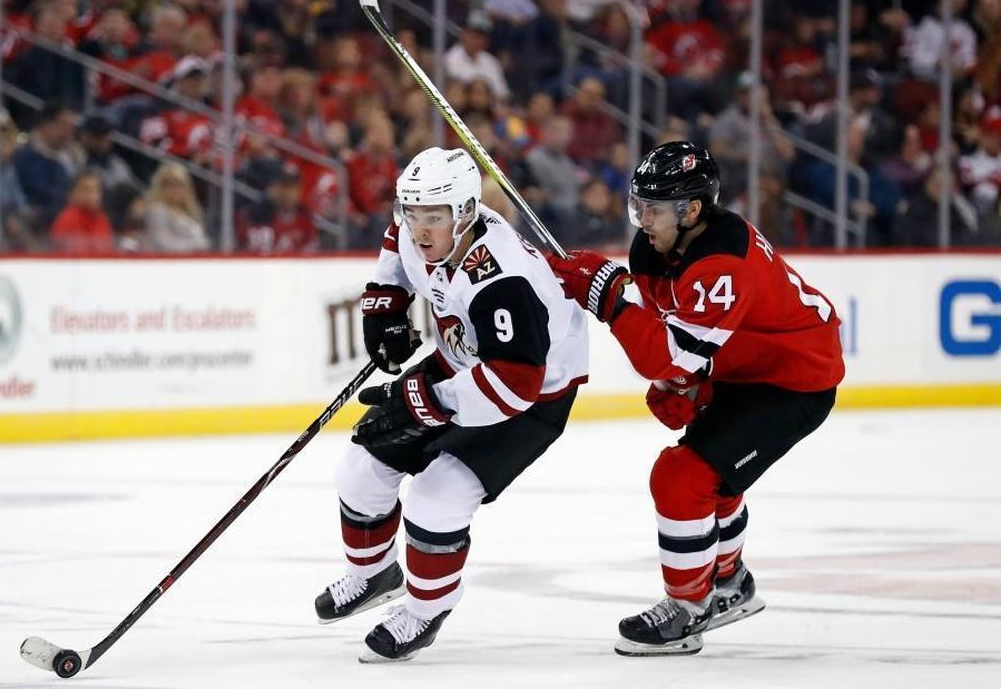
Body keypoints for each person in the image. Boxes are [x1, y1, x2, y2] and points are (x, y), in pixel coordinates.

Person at [546, 141, 844, 656]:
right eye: (638, 205)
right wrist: (684, 382)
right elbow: (674, 342)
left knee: (681, 478)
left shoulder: (723, 263)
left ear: (692, 211)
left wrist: (609, 296)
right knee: (715, 479)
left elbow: (668, 353)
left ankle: (689, 606)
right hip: (745, 368)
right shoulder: (657, 247)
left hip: (793, 382)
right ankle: (731, 584)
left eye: (654, 209)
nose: (642, 220)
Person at [316, 147, 589, 662]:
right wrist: (385, 302)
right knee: (360, 467)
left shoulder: (500, 279)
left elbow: (514, 384)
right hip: (462, 363)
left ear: (464, 212)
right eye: (412, 211)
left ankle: (424, 610)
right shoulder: (423, 229)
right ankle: (373, 574)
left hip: (532, 394)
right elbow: (397, 243)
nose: (421, 229)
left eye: (434, 217)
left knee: (439, 495)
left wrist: (428, 401)